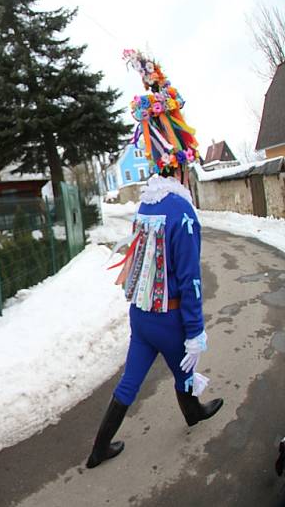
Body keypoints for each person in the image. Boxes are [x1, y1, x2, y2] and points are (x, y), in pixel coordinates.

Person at [86, 50, 223, 469]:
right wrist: (195, 330)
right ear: (180, 168)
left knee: (130, 381)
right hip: (169, 316)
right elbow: (189, 279)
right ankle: (192, 410)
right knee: (183, 363)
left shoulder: (147, 205)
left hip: (141, 313)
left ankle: (98, 450)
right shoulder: (183, 212)